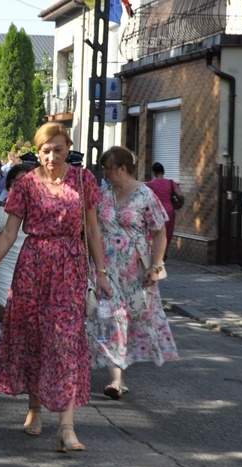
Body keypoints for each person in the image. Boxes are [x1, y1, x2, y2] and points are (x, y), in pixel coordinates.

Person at [0, 123, 111, 452]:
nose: (51, 156)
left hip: (70, 269)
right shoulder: (27, 186)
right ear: (38, 152)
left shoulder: (83, 180)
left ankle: (67, 425)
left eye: (58, 150)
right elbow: (6, 234)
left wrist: (101, 272)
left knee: (65, 343)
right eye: (45, 151)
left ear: (68, 148)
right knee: (34, 338)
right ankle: (34, 409)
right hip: (32, 268)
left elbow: (92, 229)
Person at [88, 146, 179, 400]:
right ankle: (116, 380)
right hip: (105, 270)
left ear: (123, 169)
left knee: (130, 322)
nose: (104, 173)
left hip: (135, 271)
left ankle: (119, 372)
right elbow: (91, 229)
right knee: (109, 319)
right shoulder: (101, 193)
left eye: (108, 168)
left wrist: (156, 265)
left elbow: (159, 232)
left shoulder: (145, 195)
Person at [0, 163, 31, 354]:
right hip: (6, 266)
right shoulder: (1, 213)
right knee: (7, 308)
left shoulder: (40, 212)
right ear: (10, 185)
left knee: (25, 311)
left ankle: (18, 347)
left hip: (30, 267)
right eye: (16, 181)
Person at [146, 162, 183, 260]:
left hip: (156, 211)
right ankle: (164, 255)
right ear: (163, 171)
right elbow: (180, 195)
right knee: (168, 233)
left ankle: (155, 254)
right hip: (169, 211)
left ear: (153, 172)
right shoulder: (171, 183)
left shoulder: (150, 184)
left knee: (155, 233)